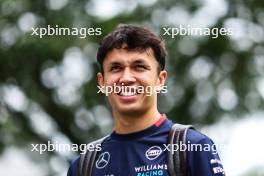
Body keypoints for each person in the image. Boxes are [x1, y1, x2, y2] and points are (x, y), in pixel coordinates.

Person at [67, 24, 225, 176]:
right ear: (102, 82)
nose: (126, 78)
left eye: (139, 67)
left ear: (160, 80)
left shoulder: (194, 147)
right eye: (116, 68)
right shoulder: (83, 166)